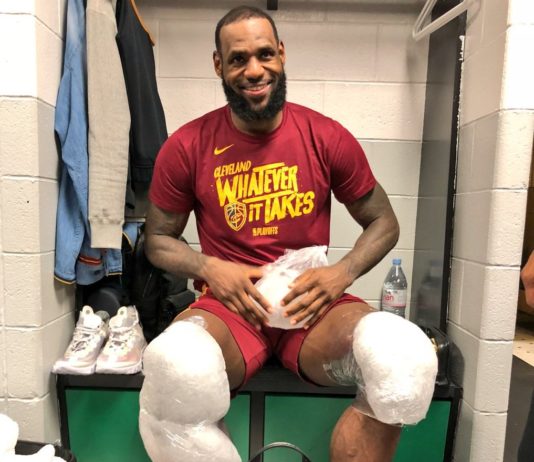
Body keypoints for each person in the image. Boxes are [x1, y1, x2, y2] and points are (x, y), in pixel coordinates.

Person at [145, 6, 403, 461]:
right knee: (176, 369)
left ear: (281, 54)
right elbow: (157, 240)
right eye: (238, 58)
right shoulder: (187, 145)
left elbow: (384, 222)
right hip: (230, 308)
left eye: (264, 54)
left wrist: (342, 273)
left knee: (402, 358)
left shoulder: (326, 136)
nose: (254, 70)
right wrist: (210, 267)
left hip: (311, 306)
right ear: (219, 65)